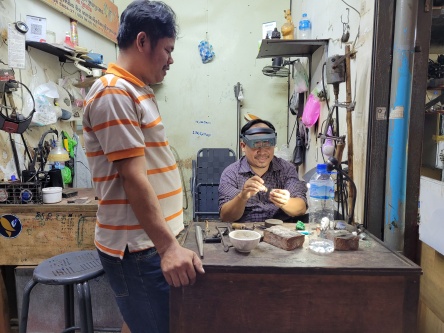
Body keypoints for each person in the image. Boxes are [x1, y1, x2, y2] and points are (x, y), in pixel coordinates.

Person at [82, 1, 204, 332]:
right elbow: (134, 179)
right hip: (139, 248)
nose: (171, 59)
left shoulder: (136, 90)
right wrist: (168, 248)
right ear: (142, 41)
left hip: (147, 242)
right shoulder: (114, 93)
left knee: (141, 323)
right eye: (167, 49)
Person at [218, 119, 307, 222]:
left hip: (282, 230)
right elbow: (226, 216)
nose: (262, 152)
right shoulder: (231, 173)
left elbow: (301, 208)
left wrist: (285, 202)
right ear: (243, 146)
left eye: (267, 143)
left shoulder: (286, 169)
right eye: (255, 144)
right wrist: (242, 197)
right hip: (245, 232)